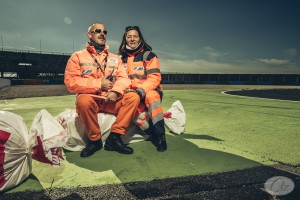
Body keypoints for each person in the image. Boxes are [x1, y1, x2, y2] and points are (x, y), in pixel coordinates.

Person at [64, 22, 140, 157]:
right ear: (90, 34)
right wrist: (98, 84)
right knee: (83, 101)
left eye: (105, 32)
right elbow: (71, 82)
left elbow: (124, 79)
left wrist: (115, 91)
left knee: (133, 97)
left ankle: (115, 138)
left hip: (111, 99)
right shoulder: (77, 56)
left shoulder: (115, 58)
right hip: (92, 98)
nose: (102, 34)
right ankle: (95, 140)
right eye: (98, 31)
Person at [118, 26, 167, 152]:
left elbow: (155, 78)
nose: (132, 39)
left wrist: (141, 91)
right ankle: (152, 133)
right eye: (129, 37)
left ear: (140, 38)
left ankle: (161, 136)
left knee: (152, 97)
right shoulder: (120, 59)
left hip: (149, 90)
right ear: (125, 39)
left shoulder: (149, 55)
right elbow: (119, 79)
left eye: (135, 36)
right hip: (132, 93)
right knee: (131, 109)